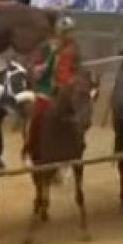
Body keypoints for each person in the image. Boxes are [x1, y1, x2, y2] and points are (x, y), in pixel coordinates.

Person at [23, 16, 80, 163]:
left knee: (80, 115)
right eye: (65, 32)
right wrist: (37, 69)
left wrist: (75, 79)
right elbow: (32, 67)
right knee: (37, 114)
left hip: (66, 90)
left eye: (69, 33)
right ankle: (31, 145)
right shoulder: (46, 47)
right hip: (46, 88)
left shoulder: (73, 49)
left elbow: (78, 68)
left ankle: (76, 147)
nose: (67, 36)